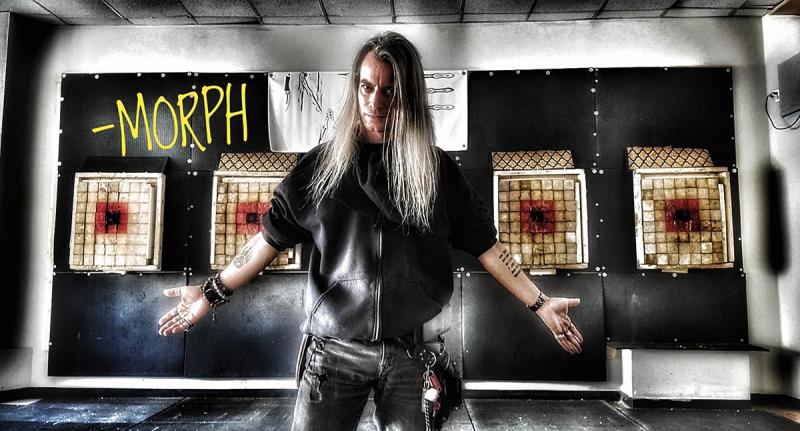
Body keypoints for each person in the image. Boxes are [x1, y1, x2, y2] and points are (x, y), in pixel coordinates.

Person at [157, 31, 584, 431]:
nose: (375, 102)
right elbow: (268, 240)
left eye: (389, 90)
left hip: (414, 356)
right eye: (366, 87)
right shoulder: (321, 167)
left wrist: (540, 302)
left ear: (409, 95)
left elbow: (488, 247)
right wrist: (210, 293)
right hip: (333, 352)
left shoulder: (437, 172)